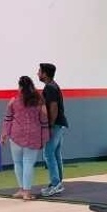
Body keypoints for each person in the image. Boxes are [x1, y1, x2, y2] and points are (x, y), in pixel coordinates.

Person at [0, 76, 50, 200]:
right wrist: (45, 138)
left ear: (20, 87)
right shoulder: (39, 102)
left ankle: (22, 189)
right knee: (28, 163)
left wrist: (4, 134)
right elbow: (44, 121)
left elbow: (8, 119)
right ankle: (27, 192)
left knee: (17, 163)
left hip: (16, 136)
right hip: (34, 136)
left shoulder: (13, 101)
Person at [38, 62, 69, 197]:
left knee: (48, 154)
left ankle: (55, 184)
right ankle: (57, 183)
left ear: (45, 74)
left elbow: (54, 107)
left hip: (55, 125)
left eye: (39, 71)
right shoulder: (53, 86)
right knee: (55, 154)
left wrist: (49, 126)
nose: (37, 73)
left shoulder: (50, 88)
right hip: (60, 124)